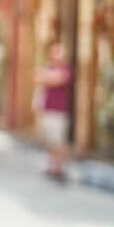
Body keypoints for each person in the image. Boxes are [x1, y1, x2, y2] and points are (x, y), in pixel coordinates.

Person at [35, 41, 73, 181]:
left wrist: (46, 76)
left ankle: (61, 168)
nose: (57, 55)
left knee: (59, 141)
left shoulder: (65, 69)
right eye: (55, 51)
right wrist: (47, 76)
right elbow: (37, 78)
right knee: (50, 141)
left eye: (59, 51)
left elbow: (58, 79)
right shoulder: (49, 67)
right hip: (47, 109)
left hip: (59, 111)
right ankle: (52, 166)